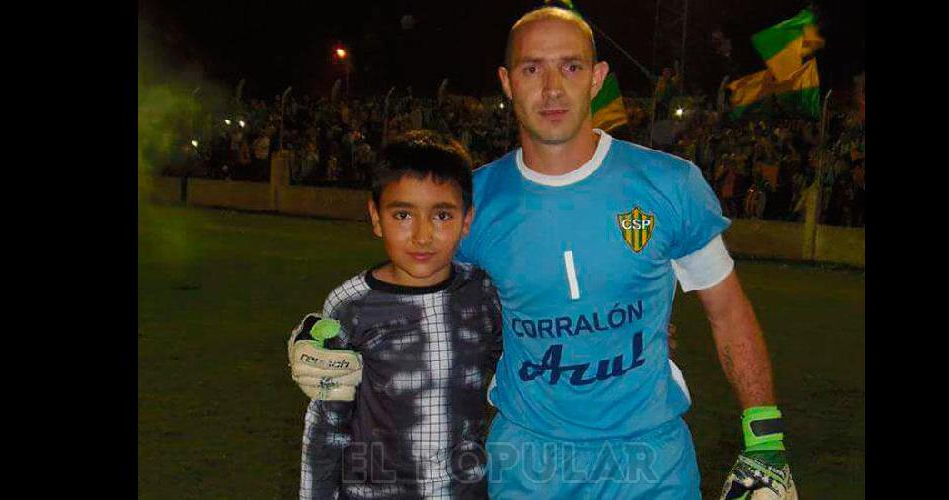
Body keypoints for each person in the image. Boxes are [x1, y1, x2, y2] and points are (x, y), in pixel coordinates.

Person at [300, 6, 797, 500]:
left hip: (652, 464)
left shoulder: (670, 184)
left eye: (571, 66)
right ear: (507, 82)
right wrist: (326, 336)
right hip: (529, 464)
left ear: (597, 78)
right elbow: (409, 287)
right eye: (532, 68)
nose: (553, 87)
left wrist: (766, 436)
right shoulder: (475, 201)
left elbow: (727, 310)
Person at [288, 130, 503, 499]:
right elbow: (327, 425)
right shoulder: (350, 307)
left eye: (442, 215)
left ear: (467, 220)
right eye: (403, 214)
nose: (422, 235)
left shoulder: (483, 295)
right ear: (375, 217)